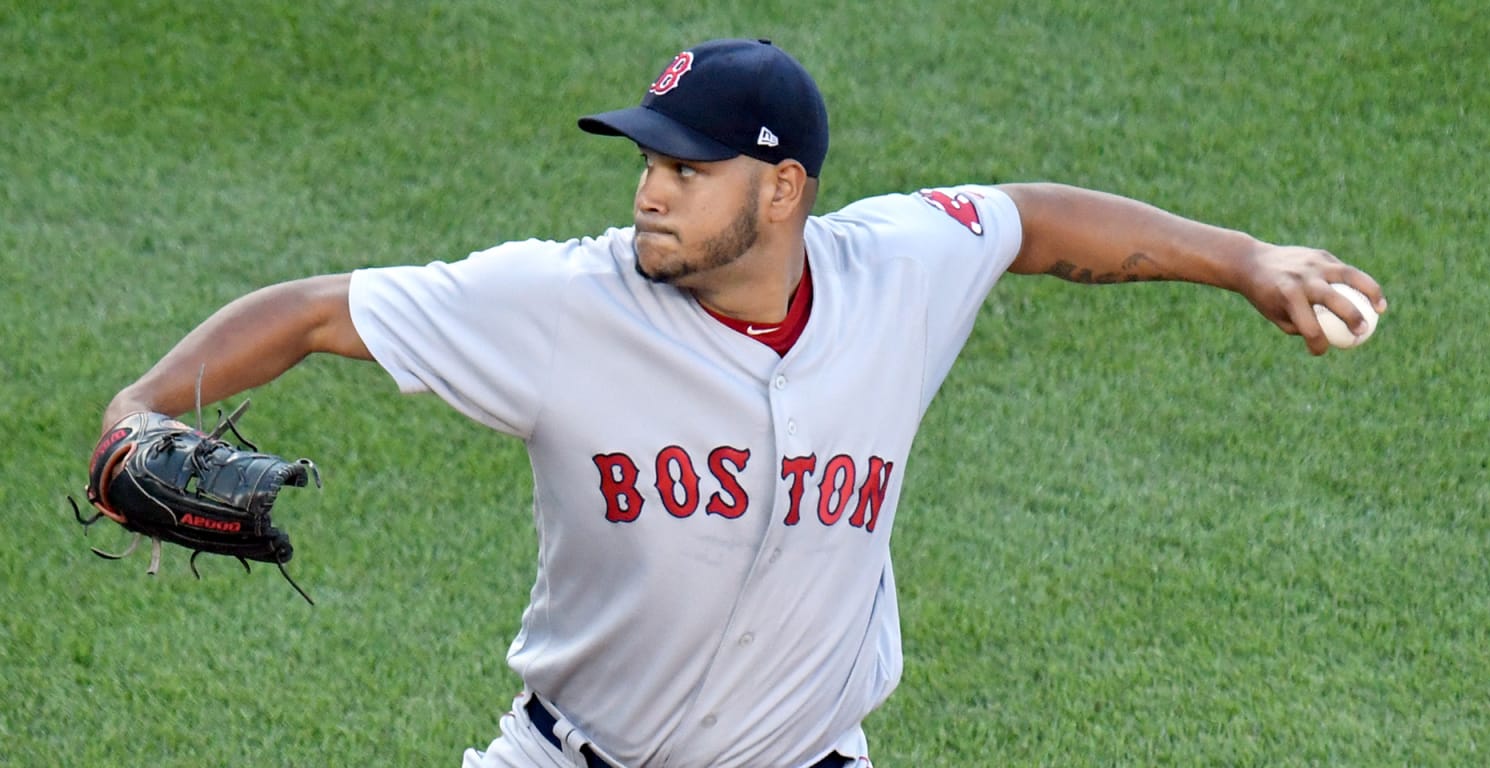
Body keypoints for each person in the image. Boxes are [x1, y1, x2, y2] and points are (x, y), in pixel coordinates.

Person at [99, 38, 1385, 768]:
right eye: (648, 163)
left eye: (686, 169)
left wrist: (1247, 261)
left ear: (782, 191)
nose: (650, 193)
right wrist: (143, 404)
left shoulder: (897, 269)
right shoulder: (558, 303)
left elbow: (1031, 221)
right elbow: (318, 310)